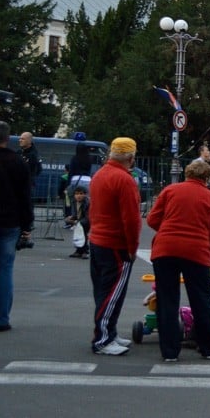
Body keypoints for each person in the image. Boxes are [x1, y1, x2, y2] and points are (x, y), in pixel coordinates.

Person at [147, 159, 210, 361]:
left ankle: (169, 352)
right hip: (196, 251)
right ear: (206, 178)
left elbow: (152, 219)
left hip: (165, 249)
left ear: (187, 174)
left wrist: (169, 231)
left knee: (167, 300)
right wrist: (207, 254)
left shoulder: (170, 191)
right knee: (201, 300)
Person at [88, 137, 142, 355]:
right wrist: (132, 247)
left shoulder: (99, 175)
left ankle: (109, 332)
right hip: (115, 243)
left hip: (98, 239)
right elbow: (131, 219)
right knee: (113, 293)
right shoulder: (125, 180)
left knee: (103, 291)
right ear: (130, 158)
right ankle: (102, 339)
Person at [0, 121, 32, 332]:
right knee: (4, 269)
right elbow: (25, 197)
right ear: (8, 138)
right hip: (9, 222)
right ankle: (2, 318)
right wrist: (27, 226)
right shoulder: (18, 162)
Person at [65, 185, 90, 258]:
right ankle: (79, 250)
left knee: (83, 235)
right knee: (78, 235)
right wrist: (71, 218)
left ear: (85, 194)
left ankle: (85, 251)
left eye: (81, 194)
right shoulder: (74, 202)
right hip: (80, 221)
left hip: (86, 221)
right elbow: (76, 214)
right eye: (77, 194)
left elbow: (87, 216)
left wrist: (78, 221)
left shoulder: (87, 203)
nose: (78, 196)